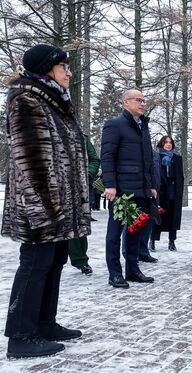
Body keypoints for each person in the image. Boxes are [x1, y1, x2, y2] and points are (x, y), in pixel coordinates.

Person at [2, 44, 90, 358]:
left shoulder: (53, 101)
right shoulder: (26, 100)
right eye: (63, 66)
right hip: (40, 204)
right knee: (35, 264)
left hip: (59, 205)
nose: (69, 72)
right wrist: (46, 208)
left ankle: (44, 323)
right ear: (46, 69)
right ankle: (21, 336)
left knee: (53, 262)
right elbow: (32, 160)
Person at [101, 89, 157, 288]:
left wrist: (151, 185)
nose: (142, 103)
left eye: (144, 100)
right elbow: (107, 157)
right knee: (115, 233)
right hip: (122, 191)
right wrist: (110, 185)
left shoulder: (143, 127)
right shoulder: (114, 125)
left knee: (135, 231)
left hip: (141, 189)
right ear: (126, 102)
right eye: (138, 100)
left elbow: (148, 160)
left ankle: (132, 270)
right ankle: (114, 273)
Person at [68, 135, 100, 276]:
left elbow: (94, 159)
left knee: (77, 225)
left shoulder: (81, 137)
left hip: (77, 187)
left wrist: (87, 174)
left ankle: (81, 261)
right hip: (52, 187)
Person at [150, 135, 184, 251]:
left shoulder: (177, 158)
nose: (168, 144)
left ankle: (172, 241)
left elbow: (180, 177)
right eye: (166, 142)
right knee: (157, 215)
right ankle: (153, 240)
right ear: (162, 144)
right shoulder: (156, 157)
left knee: (173, 217)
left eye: (170, 142)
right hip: (160, 191)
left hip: (172, 192)